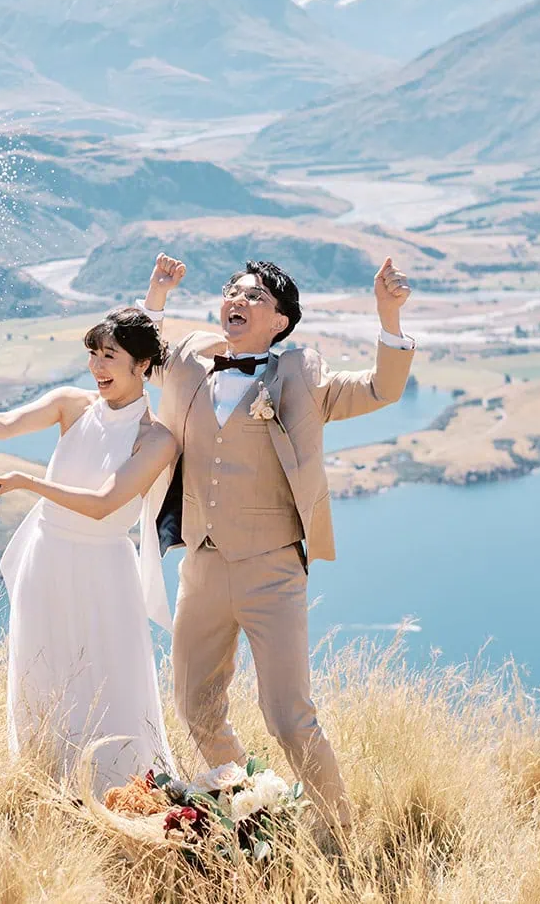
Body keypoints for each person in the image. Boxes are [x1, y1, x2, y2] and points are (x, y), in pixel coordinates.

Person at [138, 253, 414, 834]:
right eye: (231, 292)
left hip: (272, 571)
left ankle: (337, 831)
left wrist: (388, 317)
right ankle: (249, 810)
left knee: (288, 717)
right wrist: (156, 296)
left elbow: (380, 389)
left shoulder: (301, 375)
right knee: (195, 704)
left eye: (254, 296)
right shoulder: (191, 359)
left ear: (280, 321)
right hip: (203, 566)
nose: (236, 301)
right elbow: (144, 357)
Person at [0, 308, 177, 793]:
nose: (97, 367)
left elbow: (103, 505)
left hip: (104, 568)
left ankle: (121, 792)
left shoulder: (157, 440)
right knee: (42, 670)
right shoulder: (71, 404)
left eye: (110, 356)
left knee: (110, 678)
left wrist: (28, 482)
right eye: (93, 355)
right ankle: (43, 782)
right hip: (46, 556)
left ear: (142, 364)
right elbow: (5, 423)